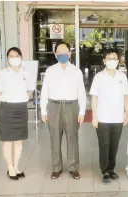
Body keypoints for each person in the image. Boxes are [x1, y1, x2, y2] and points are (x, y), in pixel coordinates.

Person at [41, 42, 86, 180]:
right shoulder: (50, 71)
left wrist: (82, 111)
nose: (62, 54)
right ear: (55, 54)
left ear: (70, 53)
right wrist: (43, 110)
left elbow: (81, 92)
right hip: (53, 106)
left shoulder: (76, 71)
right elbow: (44, 91)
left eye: (65, 51)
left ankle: (73, 167)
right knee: (54, 138)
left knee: (72, 137)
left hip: (71, 106)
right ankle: (56, 167)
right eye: (59, 52)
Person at [90, 48, 128, 183]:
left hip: (118, 117)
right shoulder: (98, 77)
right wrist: (94, 116)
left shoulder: (122, 77)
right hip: (102, 117)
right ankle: (104, 170)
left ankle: (112, 169)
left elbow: (126, 96)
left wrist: (126, 112)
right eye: (109, 58)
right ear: (104, 60)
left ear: (119, 61)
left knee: (114, 144)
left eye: (114, 58)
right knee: (104, 144)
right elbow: (94, 97)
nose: (112, 61)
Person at [0, 47, 34, 180]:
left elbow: (30, 90)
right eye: (11, 56)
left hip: (21, 108)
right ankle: (9, 167)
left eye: (17, 55)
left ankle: (16, 166)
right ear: (8, 59)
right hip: (7, 109)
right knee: (7, 140)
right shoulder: (2, 73)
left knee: (18, 141)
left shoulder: (26, 73)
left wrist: (25, 98)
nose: (14, 58)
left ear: (21, 57)